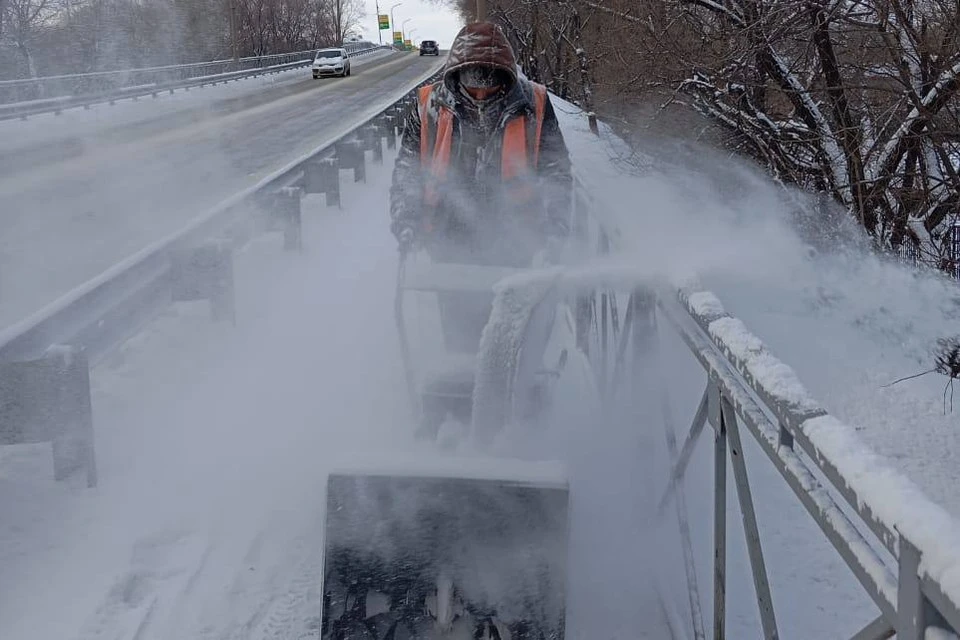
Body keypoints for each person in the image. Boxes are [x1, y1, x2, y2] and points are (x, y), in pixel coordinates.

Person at [390, 21, 573, 352]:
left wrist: (555, 228)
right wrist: (406, 219)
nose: (479, 99)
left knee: (515, 338)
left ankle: (520, 393)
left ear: (503, 80)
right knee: (460, 332)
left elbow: (555, 169)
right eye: (472, 92)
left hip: (517, 238)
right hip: (449, 237)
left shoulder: (535, 105)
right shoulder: (429, 104)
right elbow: (408, 169)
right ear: (456, 78)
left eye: (488, 92)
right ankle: (460, 392)